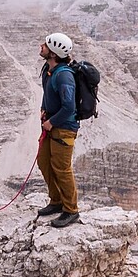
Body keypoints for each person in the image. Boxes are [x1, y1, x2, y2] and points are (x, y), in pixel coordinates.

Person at [36, 32, 81, 228]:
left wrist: (51, 122)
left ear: (53, 53)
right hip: (52, 125)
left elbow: (69, 107)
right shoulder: (49, 69)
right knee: (44, 162)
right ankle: (56, 201)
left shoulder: (64, 76)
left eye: (45, 45)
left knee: (62, 169)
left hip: (64, 129)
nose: (41, 46)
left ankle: (71, 210)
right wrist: (44, 109)